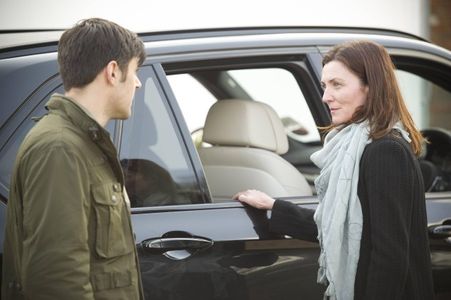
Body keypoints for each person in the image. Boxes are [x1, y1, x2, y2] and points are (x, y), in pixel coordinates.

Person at [233, 40, 434, 300]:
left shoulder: (386, 151)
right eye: (325, 86)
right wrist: (273, 205)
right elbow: (335, 227)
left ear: (371, 87)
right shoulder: (352, 148)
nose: (326, 97)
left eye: (337, 85)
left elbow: (390, 258)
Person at [2, 18, 146, 299]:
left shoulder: (82, 144)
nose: (138, 84)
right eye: (135, 70)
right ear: (113, 72)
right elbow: (57, 279)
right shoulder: (60, 148)